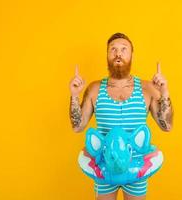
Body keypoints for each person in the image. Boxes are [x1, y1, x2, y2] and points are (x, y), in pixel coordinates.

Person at [69, 33, 174, 200]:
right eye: (113, 49)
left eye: (124, 49)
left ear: (131, 55)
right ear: (107, 55)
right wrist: (74, 95)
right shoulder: (94, 89)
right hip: (103, 168)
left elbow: (166, 126)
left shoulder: (147, 88)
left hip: (137, 168)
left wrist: (164, 92)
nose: (118, 53)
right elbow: (77, 126)